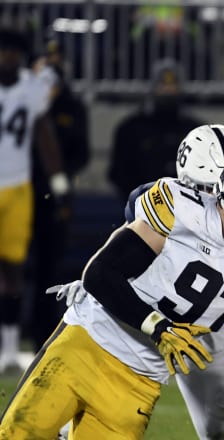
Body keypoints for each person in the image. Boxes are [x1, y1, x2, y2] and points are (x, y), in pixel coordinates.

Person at [0, 148, 224, 438]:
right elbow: (100, 274)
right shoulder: (182, 207)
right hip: (86, 346)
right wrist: (157, 327)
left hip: (140, 383)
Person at [49, 124, 224, 440]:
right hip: (156, 318)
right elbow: (122, 252)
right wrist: (96, 288)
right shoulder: (160, 200)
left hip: (213, 323)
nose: (220, 200)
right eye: (209, 189)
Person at [0, 25, 70, 374]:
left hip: (16, 186)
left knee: (13, 269)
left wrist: (58, 184)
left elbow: (45, 134)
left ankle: (10, 349)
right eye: (3, 50)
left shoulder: (32, 87)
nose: (7, 57)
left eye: (13, 51)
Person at [28, 37, 90, 350]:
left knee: (49, 265)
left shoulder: (72, 106)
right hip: (19, 188)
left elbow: (81, 152)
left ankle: (42, 333)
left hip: (54, 192)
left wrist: (62, 186)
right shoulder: (19, 99)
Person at [108, 58, 204, 203]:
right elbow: (119, 173)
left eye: (173, 85)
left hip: (186, 210)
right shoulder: (131, 129)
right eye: (163, 85)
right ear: (153, 87)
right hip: (141, 208)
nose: (168, 90)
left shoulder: (195, 130)